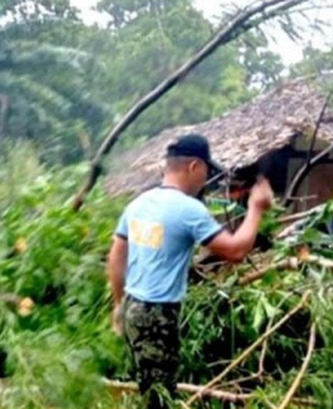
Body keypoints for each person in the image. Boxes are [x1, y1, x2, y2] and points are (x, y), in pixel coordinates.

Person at [107, 134, 274, 409]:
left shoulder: (139, 204)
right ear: (194, 166)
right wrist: (256, 209)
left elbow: (116, 255)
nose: (206, 180)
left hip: (132, 310)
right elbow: (235, 252)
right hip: (157, 315)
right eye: (206, 172)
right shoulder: (188, 209)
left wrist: (118, 304)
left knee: (147, 385)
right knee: (158, 397)